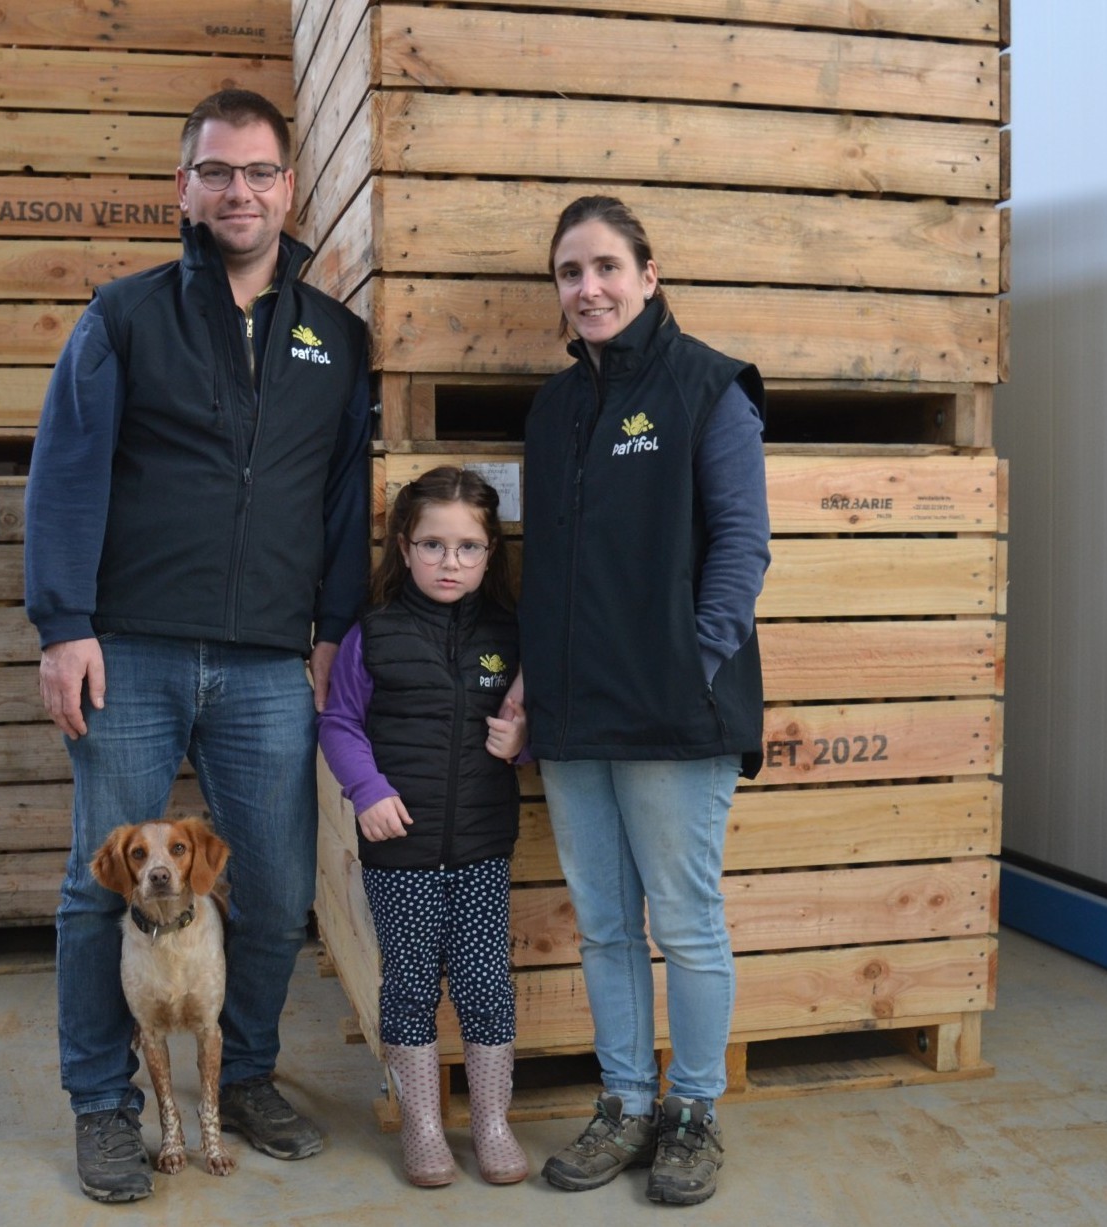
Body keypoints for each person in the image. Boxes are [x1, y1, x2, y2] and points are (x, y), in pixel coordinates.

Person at [23, 89, 372, 1203]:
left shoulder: (333, 336)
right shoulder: (123, 318)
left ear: (288, 187)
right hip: (132, 648)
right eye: (217, 172)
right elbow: (67, 471)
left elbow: (337, 498)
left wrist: (330, 631)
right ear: (185, 188)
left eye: (259, 172)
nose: (239, 192)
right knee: (101, 889)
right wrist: (63, 625)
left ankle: (251, 1073)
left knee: (268, 884)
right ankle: (103, 1106)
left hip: (271, 660)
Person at [518, 196, 770, 1206]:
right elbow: (549, 570)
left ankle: (695, 1112)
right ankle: (625, 1103)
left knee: (687, 920)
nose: (589, 288)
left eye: (606, 267)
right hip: (578, 717)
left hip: (673, 715)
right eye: (569, 273)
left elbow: (741, 548)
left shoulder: (708, 389)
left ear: (648, 274)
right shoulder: (554, 408)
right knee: (605, 926)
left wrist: (691, 667)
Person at [317, 466, 530, 1189]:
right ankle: (423, 1126)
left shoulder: (509, 633)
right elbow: (340, 721)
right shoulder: (371, 634)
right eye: (434, 544)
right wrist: (366, 789)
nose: (450, 562)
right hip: (397, 847)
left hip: (480, 844)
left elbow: (536, 716)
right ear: (404, 547)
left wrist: (521, 741)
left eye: (468, 547)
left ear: (489, 554)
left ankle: (493, 1121)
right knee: (408, 983)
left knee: (482, 983)